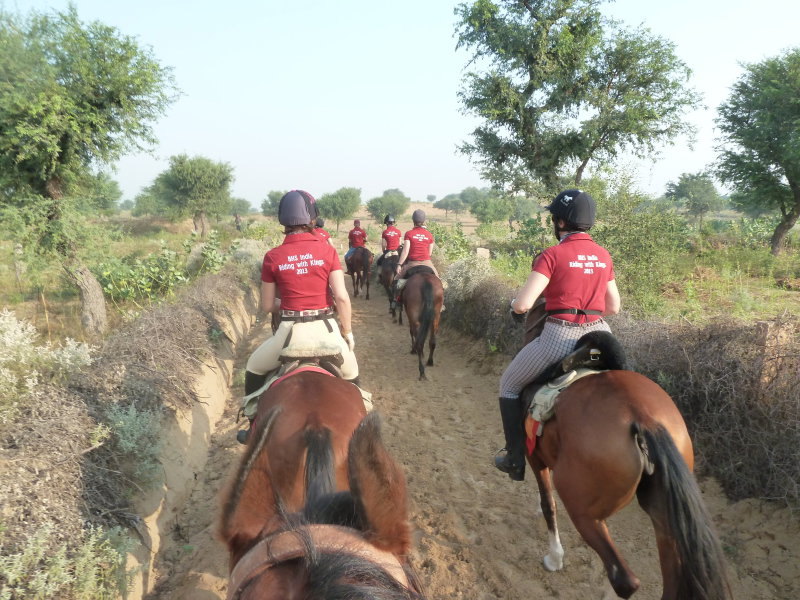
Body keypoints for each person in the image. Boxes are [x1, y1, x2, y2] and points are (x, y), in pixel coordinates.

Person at [494, 189, 621, 480]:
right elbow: (613, 306)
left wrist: (515, 306)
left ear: (561, 222)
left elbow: (526, 303)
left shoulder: (552, 255)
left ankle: (514, 459)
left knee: (509, 385)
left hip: (559, 338)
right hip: (599, 336)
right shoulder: (603, 255)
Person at [238, 190, 360, 443]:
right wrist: (347, 333)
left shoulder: (273, 257)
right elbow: (342, 298)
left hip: (288, 332)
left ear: (282, 220)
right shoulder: (328, 251)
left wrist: (291, 305)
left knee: (254, 366)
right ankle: (361, 430)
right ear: (313, 217)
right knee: (352, 376)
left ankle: (252, 426)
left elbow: (267, 305)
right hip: (326, 328)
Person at [394, 209, 440, 281]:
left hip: (412, 263)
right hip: (427, 263)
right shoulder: (429, 234)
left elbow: (405, 251)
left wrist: (399, 264)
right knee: (438, 280)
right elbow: (429, 253)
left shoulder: (409, 233)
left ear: (413, 220)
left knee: (396, 279)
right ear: (424, 221)